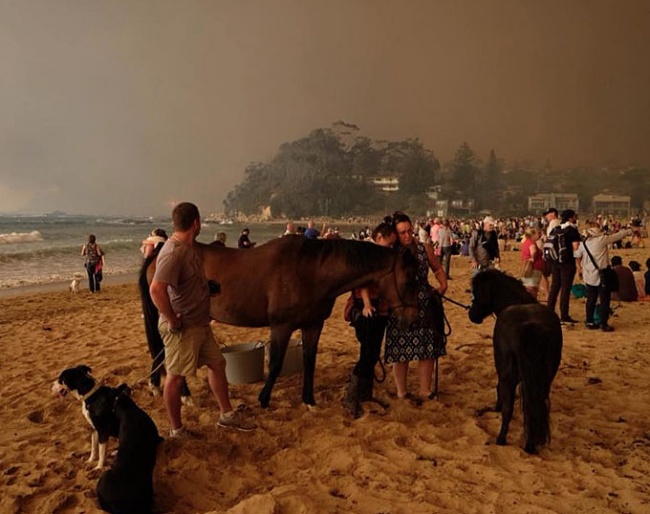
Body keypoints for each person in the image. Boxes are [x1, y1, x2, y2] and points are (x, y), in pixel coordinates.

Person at [149, 202, 256, 436]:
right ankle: (176, 429)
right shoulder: (173, 252)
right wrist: (172, 319)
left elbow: (186, 282)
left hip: (200, 323)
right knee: (175, 379)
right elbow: (156, 290)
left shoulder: (190, 248)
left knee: (217, 364)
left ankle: (226, 415)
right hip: (183, 327)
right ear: (196, 223)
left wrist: (207, 288)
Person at [384, 212, 448, 401]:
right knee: (399, 350)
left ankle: (424, 389)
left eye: (409, 231)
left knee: (426, 347)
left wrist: (443, 284)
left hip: (424, 302)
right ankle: (401, 391)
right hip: (399, 306)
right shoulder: (391, 252)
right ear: (395, 234)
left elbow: (437, 268)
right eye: (402, 232)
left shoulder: (423, 248)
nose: (407, 235)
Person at [342, 221, 397, 417]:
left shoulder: (381, 255)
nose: (390, 247)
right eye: (389, 243)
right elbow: (362, 281)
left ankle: (365, 394)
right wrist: (366, 304)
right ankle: (351, 396)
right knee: (367, 354)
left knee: (373, 353)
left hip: (380, 307)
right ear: (379, 237)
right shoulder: (366, 253)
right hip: (365, 307)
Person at [575, 222, 630, 331]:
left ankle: (590, 322)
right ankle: (603, 324)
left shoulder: (584, 243)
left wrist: (579, 268)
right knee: (605, 300)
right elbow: (617, 236)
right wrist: (629, 231)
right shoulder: (602, 239)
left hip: (589, 275)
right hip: (602, 275)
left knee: (591, 299)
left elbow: (577, 255)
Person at [547, 209, 582, 324]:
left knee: (555, 287)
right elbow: (576, 248)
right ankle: (564, 315)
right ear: (571, 217)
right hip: (567, 262)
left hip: (555, 261)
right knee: (565, 289)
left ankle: (550, 311)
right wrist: (579, 265)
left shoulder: (557, 229)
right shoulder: (572, 230)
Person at [520, 227, 545, 299]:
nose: (539, 235)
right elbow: (533, 251)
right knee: (532, 287)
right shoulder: (532, 243)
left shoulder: (526, 242)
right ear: (533, 234)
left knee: (528, 286)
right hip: (534, 267)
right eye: (538, 233)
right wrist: (533, 258)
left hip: (527, 266)